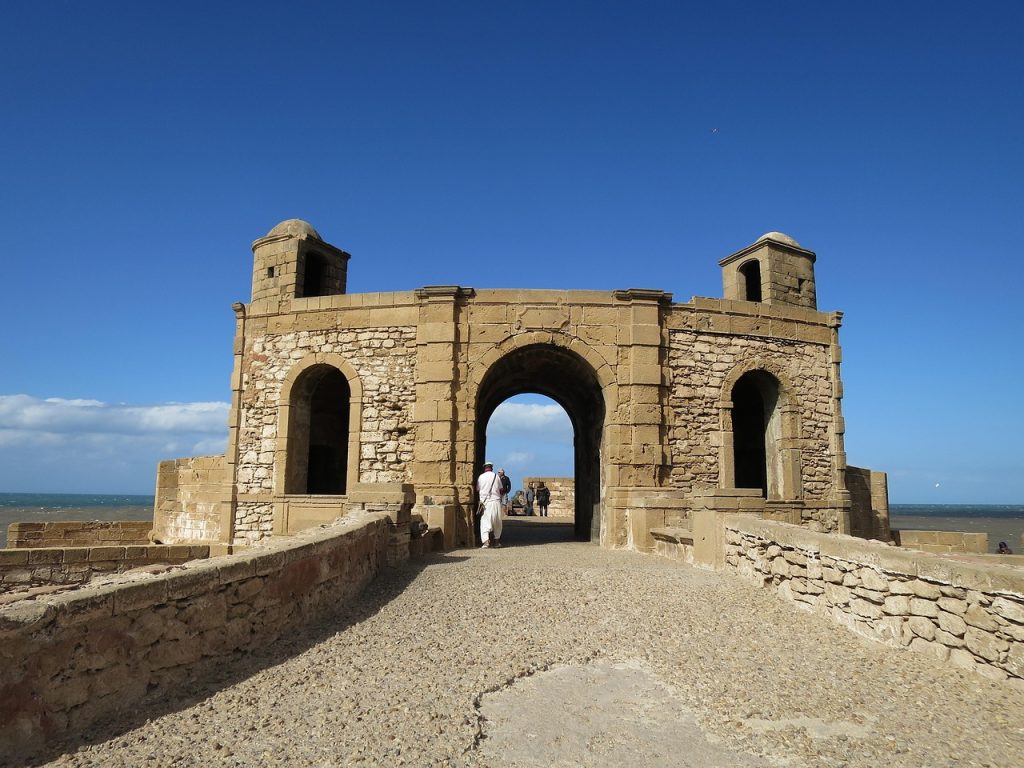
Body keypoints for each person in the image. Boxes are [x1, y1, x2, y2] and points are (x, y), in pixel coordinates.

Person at [476, 461, 503, 548]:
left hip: (485, 502)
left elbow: (477, 489)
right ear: (491, 468)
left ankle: (486, 541)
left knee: (485, 521)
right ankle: (497, 541)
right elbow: (501, 489)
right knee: (497, 521)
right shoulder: (496, 476)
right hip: (496, 501)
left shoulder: (481, 477)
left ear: (485, 468)